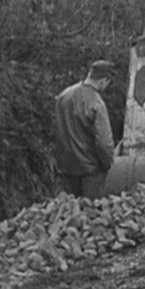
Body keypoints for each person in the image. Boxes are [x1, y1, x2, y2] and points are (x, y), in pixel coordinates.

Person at [53, 60, 117, 200]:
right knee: (90, 215)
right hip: (90, 172)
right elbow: (104, 143)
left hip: (65, 169)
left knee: (68, 214)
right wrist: (108, 164)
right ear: (104, 80)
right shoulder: (96, 103)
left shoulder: (63, 96)